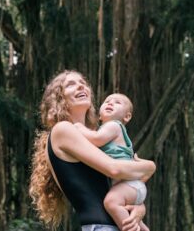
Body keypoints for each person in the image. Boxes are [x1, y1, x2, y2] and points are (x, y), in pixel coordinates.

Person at [29, 71, 156, 231]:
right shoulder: (63, 130)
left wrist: (139, 208)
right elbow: (115, 169)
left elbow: (117, 188)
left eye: (83, 82)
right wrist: (150, 167)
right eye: (70, 84)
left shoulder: (96, 139)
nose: (81, 85)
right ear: (59, 99)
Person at [73, 93, 147, 230]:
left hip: (129, 184)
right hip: (130, 187)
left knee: (111, 202)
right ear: (99, 116)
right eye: (107, 101)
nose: (110, 103)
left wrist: (79, 128)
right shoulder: (108, 130)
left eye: (117, 102)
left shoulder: (114, 126)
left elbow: (96, 139)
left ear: (127, 116)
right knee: (130, 215)